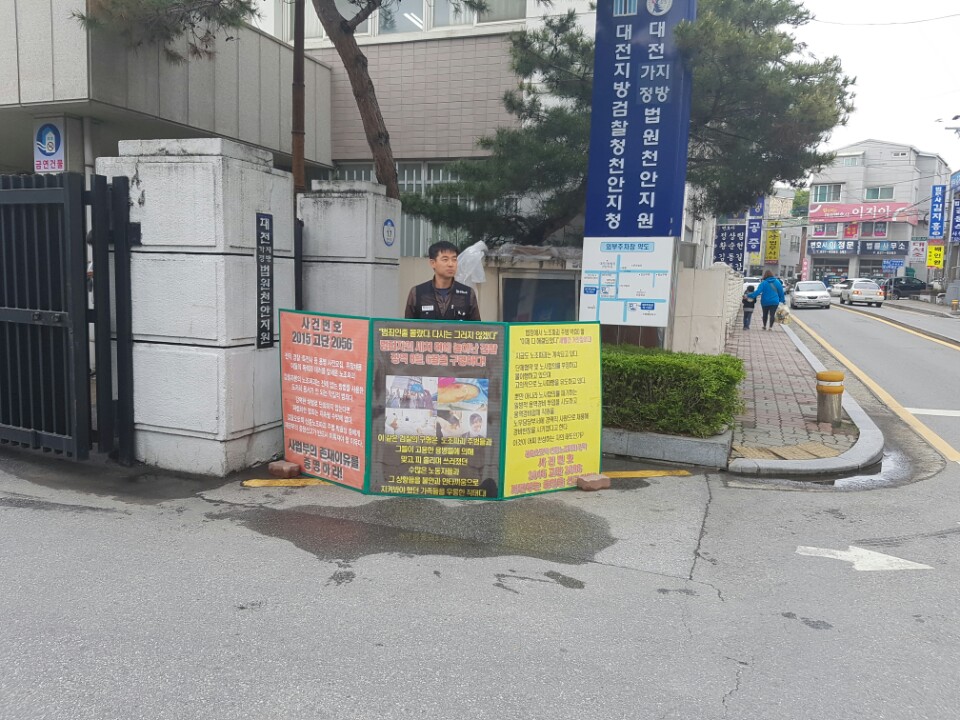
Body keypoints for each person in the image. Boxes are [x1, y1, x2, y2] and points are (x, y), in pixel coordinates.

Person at [404, 241, 481, 320]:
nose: (451, 264)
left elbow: (476, 326)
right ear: (433, 263)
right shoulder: (417, 293)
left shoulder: (467, 293)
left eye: (454, 259)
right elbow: (408, 326)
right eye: (445, 259)